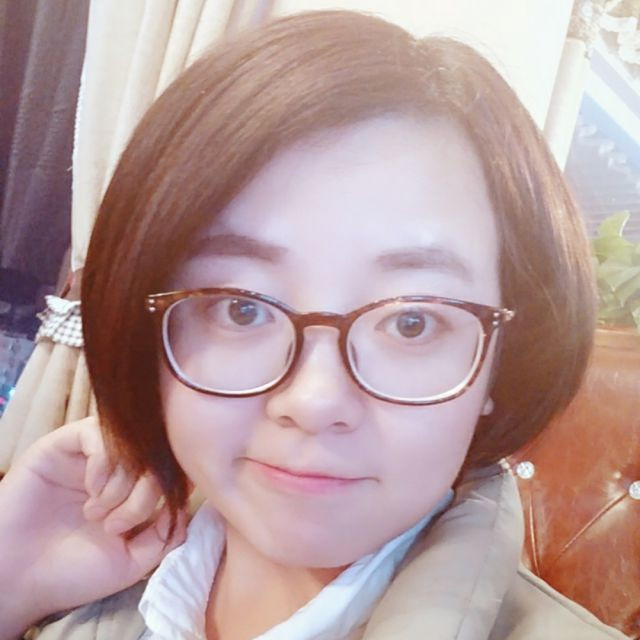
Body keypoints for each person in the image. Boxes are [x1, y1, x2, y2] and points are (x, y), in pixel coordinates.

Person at [0, 10, 627, 640]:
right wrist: (15, 585)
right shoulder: (73, 574)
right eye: (241, 308)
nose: (315, 402)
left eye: (412, 323)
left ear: (503, 361)